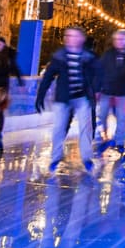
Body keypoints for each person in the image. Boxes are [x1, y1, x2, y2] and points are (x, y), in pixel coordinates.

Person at [35, 27, 98, 173]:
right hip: (63, 97)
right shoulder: (59, 56)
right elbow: (48, 76)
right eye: (68, 36)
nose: (70, 38)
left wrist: (97, 90)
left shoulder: (89, 57)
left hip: (82, 97)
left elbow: (99, 74)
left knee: (85, 128)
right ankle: (55, 157)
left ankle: (87, 158)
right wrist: (40, 96)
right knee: (59, 127)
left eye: (74, 36)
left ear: (81, 39)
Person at [94, 30, 125, 155]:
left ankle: (119, 142)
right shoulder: (108, 55)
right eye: (117, 39)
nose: (119, 41)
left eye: (122, 39)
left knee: (121, 118)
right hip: (106, 91)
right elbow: (99, 72)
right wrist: (97, 89)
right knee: (102, 115)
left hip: (122, 93)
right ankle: (103, 138)